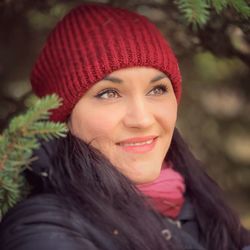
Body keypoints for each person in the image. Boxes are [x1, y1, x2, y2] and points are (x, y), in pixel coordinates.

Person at [0, 3, 249, 250]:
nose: (142, 119)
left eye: (157, 89)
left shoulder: (198, 204)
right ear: (63, 118)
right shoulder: (43, 228)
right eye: (109, 93)